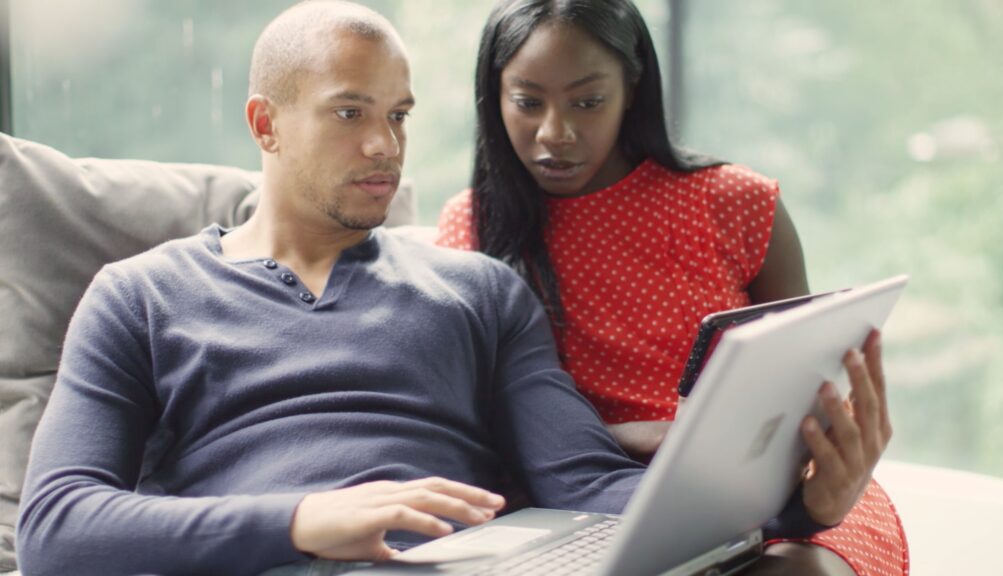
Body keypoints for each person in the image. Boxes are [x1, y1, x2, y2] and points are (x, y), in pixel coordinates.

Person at [14, 2, 854, 575]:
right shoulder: (140, 295)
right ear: (266, 124)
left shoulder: (481, 291)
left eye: (401, 115)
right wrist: (305, 518)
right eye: (351, 113)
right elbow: (54, 530)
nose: (386, 146)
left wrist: (788, 507)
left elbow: (587, 483)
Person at [436, 1, 908, 575]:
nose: (554, 133)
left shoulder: (736, 202)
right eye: (527, 102)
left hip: (774, 493)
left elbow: (802, 393)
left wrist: (823, 462)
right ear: (495, 95)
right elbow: (478, 419)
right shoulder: (472, 228)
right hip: (588, 501)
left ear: (631, 88)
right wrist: (626, 435)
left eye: (587, 102)